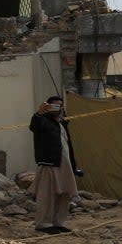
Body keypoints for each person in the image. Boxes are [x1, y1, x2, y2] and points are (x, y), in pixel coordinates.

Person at [29, 95, 84, 233]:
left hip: (64, 165)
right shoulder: (42, 121)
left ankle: (58, 222)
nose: (57, 108)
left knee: (64, 195)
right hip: (49, 163)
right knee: (47, 195)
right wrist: (39, 112)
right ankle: (44, 224)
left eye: (59, 106)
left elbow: (67, 147)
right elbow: (34, 126)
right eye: (54, 106)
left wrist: (74, 167)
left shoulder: (61, 124)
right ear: (47, 106)